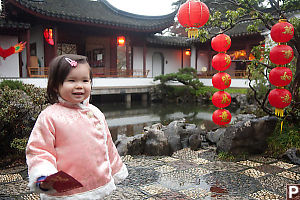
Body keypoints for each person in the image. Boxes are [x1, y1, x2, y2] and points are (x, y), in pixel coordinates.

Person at [26, 54, 128, 200]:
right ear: (56, 85)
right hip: (66, 189)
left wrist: (116, 169)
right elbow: (40, 150)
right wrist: (44, 175)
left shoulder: (95, 113)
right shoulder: (50, 116)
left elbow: (108, 146)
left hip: (98, 183)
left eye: (85, 80)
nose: (79, 85)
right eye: (72, 80)